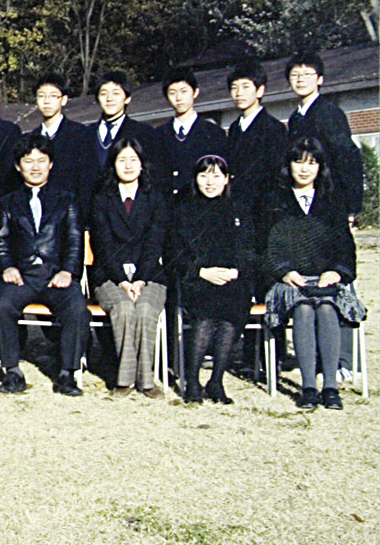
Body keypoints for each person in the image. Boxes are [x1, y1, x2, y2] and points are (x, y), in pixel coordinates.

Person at [260, 138, 365, 411]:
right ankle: (308, 387)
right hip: (288, 280)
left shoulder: (332, 200)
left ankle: (330, 387)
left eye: (312, 163)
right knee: (303, 308)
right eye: (299, 162)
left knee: (327, 306)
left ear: (320, 168)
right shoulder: (273, 200)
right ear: (289, 165)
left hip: (326, 280)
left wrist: (337, 272)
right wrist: (283, 272)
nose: (305, 169)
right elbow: (263, 245)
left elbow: (345, 247)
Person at [0, 135, 89, 397]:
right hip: (22, 275)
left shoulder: (66, 199)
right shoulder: (8, 202)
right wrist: (7, 267)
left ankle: (67, 373)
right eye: (28, 161)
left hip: (55, 274)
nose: (35, 167)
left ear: (50, 164)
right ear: (18, 166)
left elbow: (75, 240)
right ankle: (12, 371)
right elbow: (1, 241)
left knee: (77, 307)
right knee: (1, 305)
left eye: (41, 161)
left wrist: (67, 271)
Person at [166, 155, 255, 405]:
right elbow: (174, 253)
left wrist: (237, 271)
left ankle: (216, 380)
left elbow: (249, 249)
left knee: (233, 307)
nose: (210, 182)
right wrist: (201, 272)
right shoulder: (184, 211)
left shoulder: (239, 210)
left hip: (232, 279)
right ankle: (192, 381)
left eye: (216, 176)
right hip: (197, 278)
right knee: (205, 313)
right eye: (204, 175)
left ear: (226, 179)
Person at [88, 137, 169, 397]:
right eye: (122, 160)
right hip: (110, 274)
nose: (128, 165)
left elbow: (154, 243)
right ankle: (124, 380)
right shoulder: (102, 199)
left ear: (142, 164)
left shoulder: (155, 199)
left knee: (145, 309)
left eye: (133, 159)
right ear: (113, 164)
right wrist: (122, 281)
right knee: (123, 308)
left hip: (149, 273)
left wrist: (140, 280)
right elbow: (103, 245)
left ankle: (146, 380)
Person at [285, 51, 364, 218]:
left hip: (330, 199)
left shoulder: (329, 113)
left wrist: (351, 207)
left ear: (320, 79)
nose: (300, 79)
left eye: (307, 74)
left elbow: (347, 158)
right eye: (295, 75)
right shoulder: (295, 118)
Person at [224, 58, 288, 224]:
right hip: (237, 208)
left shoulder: (274, 128)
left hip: (263, 211)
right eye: (234, 88)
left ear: (260, 91)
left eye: (246, 87)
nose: (239, 93)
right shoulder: (234, 128)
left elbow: (276, 174)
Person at [29, 74, 96, 214]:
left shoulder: (80, 134)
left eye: (53, 96)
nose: (47, 101)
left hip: (71, 213)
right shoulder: (30, 138)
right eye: (41, 96)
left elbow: (87, 182)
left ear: (64, 100)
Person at [90, 72, 166, 193]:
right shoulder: (85, 133)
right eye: (103, 94)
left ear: (127, 98)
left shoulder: (144, 133)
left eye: (116, 93)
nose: (109, 99)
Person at [157, 71, 226, 201]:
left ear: (195, 92)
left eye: (184, 91)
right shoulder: (158, 135)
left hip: (199, 205)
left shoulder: (214, 133)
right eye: (172, 93)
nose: (178, 98)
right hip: (166, 207)